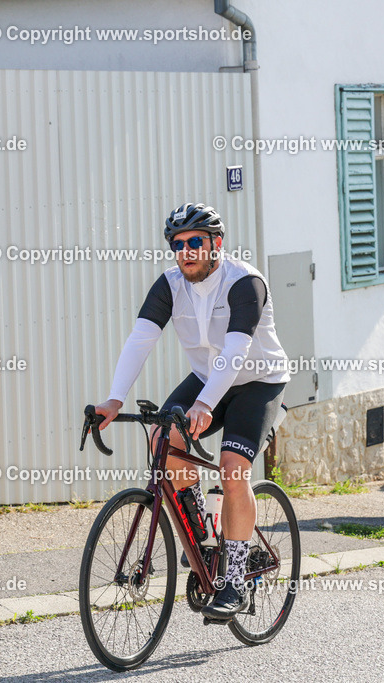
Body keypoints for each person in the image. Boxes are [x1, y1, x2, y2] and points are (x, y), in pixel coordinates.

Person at [94, 203, 290, 621]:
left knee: (233, 470)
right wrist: (114, 399)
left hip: (258, 381)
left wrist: (204, 405)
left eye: (195, 242)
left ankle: (235, 581)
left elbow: (236, 351)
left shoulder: (245, 283)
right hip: (206, 377)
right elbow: (141, 339)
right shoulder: (169, 285)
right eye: (178, 244)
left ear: (216, 243)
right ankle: (201, 529)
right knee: (162, 439)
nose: (186, 252)